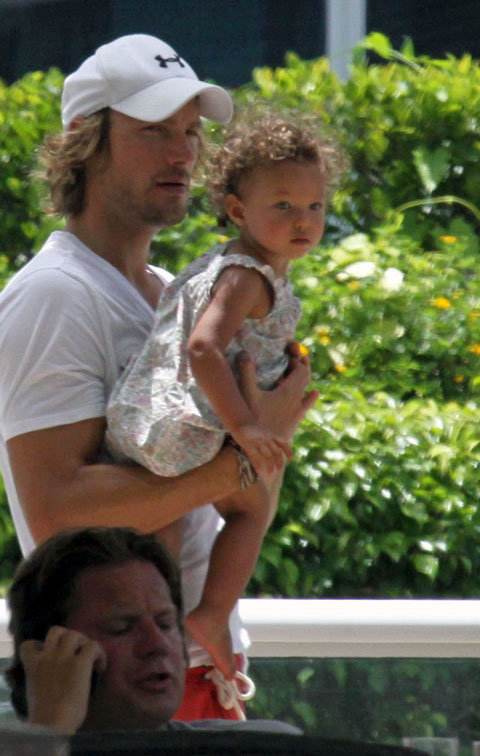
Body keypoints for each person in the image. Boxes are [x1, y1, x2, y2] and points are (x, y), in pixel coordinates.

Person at [0, 33, 317, 719]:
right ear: (85, 139)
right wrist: (248, 455)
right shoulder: (54, 296)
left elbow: (228, 495)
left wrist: (257, 444)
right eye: (154, 131)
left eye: (191, 132)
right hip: (121, 691)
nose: (182, 153)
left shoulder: (173, 292)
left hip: (192, 676)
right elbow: (60, 513)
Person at [105, 111, 345, 681]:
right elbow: (203, 348)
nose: (303, 220)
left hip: (156, 424)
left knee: (163, 535)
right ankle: (210, 615)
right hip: (200, 426)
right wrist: (248, 428)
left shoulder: (229, 263)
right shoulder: (247, 275)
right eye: (282, 206)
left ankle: (159, 634)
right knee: (251, 508)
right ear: (238, 211)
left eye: (315, 205)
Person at [6, 526, 301, 739]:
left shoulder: (268, 747)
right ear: (50, 653)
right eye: (121, 627)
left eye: (166, 623)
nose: (157, 644)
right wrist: (50, 729)